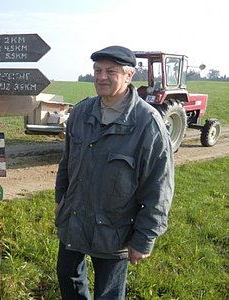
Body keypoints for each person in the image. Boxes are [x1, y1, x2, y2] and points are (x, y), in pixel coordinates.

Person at [54, 45, 174, 299]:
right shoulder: (81, 112)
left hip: (114, 230)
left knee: (108, 293)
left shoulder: (147, 123)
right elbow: (66, 162)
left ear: (129, 76)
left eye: (111, 71)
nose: (101, 76)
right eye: (97, 70)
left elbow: (159, 188)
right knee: (68, 277)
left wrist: (144, 238)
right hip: (74, 219)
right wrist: (59, 199)